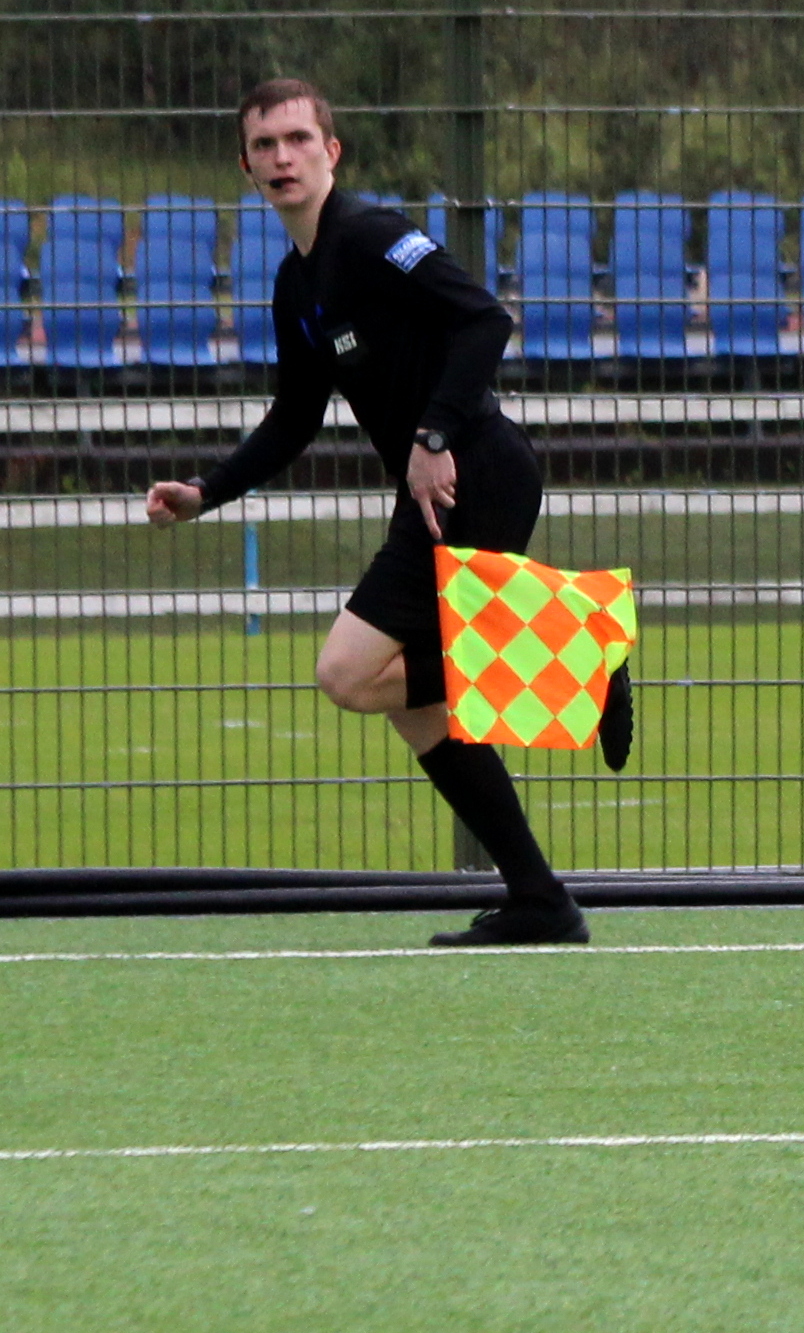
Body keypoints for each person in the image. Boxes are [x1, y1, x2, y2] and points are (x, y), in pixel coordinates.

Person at [144, 78, 629, 947]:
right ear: (246, 167)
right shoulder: (296, 284)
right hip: (438, 490)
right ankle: (540, 899)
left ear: (332, 151)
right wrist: (206, 492)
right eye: (264, 145)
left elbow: (485, 319)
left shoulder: (370, 236)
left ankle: (585, 651)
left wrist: (433, 434)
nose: (282, 157)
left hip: (478, 470)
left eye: (298, 139)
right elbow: (294, 418)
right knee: (414, 706)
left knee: (346, 673)